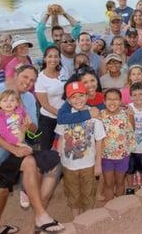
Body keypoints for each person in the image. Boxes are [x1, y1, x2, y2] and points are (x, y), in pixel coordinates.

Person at [0, 65, 64, 234]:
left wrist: (29, 126)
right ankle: (40, 215)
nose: (28, 82)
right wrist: (12, 149)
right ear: (15, 74)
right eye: (25, 77)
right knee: (27, 164)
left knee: (51, 161)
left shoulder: (29, 99)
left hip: (17, 146)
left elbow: (33, 134)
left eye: (32, 80)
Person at [55, 81, 105, 216]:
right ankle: (76, 220)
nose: (78, 100)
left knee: (89, 194)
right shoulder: (65, 118)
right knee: (73, 194)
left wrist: (98, 164)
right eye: (73, 97)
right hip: (69, 165)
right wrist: (57, 157)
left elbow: (99, 141)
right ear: (68, 101)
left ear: (87, 96)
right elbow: (60, 137)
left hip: (89, 164)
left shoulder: (95, 116)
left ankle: (88, 221)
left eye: (81, 95)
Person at [0, 89, 35, 196]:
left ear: (17, 102)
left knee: (30, 157)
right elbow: (3, 134)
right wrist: (17, 143)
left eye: (12, 100)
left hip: (20, 141)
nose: (9, 103)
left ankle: (25, 188)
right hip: (6, 143)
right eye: (5, 101)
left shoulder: (20, 111)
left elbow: (26, 121)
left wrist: (27, 121)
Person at [99, 89, 136, 201]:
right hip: (106, 157)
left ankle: (119, 207)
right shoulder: (100, 116)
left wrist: (131, 115)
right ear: (104, 101)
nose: (112, 102)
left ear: (120, 101)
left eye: (116, 99)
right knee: (109, 183)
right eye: (109, 99)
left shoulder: (126, 114)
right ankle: (110, 207)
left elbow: (132, 130)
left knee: (120, 182)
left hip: (122, 156)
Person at [35, 46, 66, 151]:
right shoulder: (40, 79)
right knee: (46, 150)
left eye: (56, 56)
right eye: (50, 56)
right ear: (45, 59)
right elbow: (45, 105)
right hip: (48, 119)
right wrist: (63, 115)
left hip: (64, 116)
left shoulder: (63, 70)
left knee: (64, 147)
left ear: (59, 58)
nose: (53, 59)